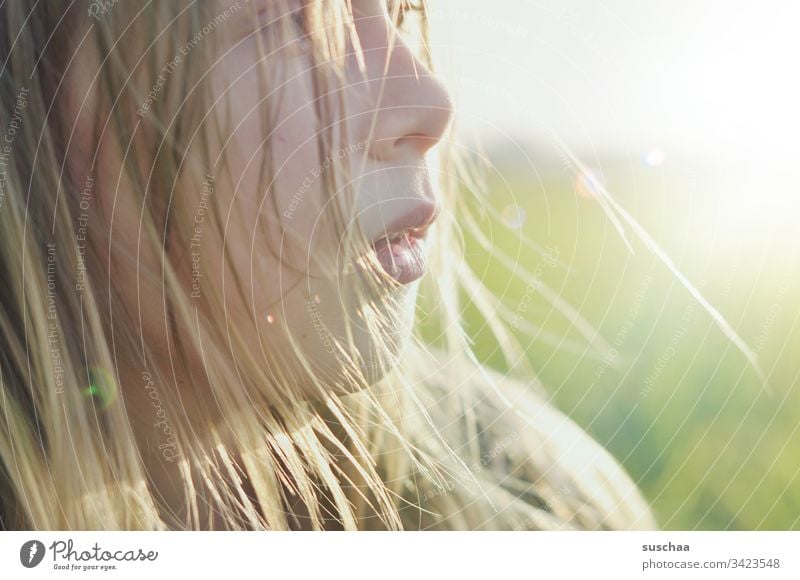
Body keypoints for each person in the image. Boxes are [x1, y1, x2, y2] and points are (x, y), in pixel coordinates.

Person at [0, 0, 656, 530]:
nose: (430, 103)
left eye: (401, 12)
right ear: (45, 100)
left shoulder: (534, 499)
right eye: (291, 22)